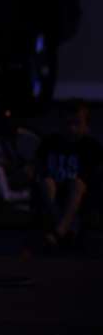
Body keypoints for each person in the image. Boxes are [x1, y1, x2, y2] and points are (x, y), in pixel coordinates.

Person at [36, 100, 102, 248]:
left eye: (77, 123)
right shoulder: (50, 142)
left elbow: (94, 175)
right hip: (55, 189)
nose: (72, 129)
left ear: (86, 126)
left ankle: (59, 232)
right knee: (47, 183)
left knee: (77, 185)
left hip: (80, 193)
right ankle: (68, 228)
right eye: (68, 123)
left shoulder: (91, 146)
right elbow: (39, 166)